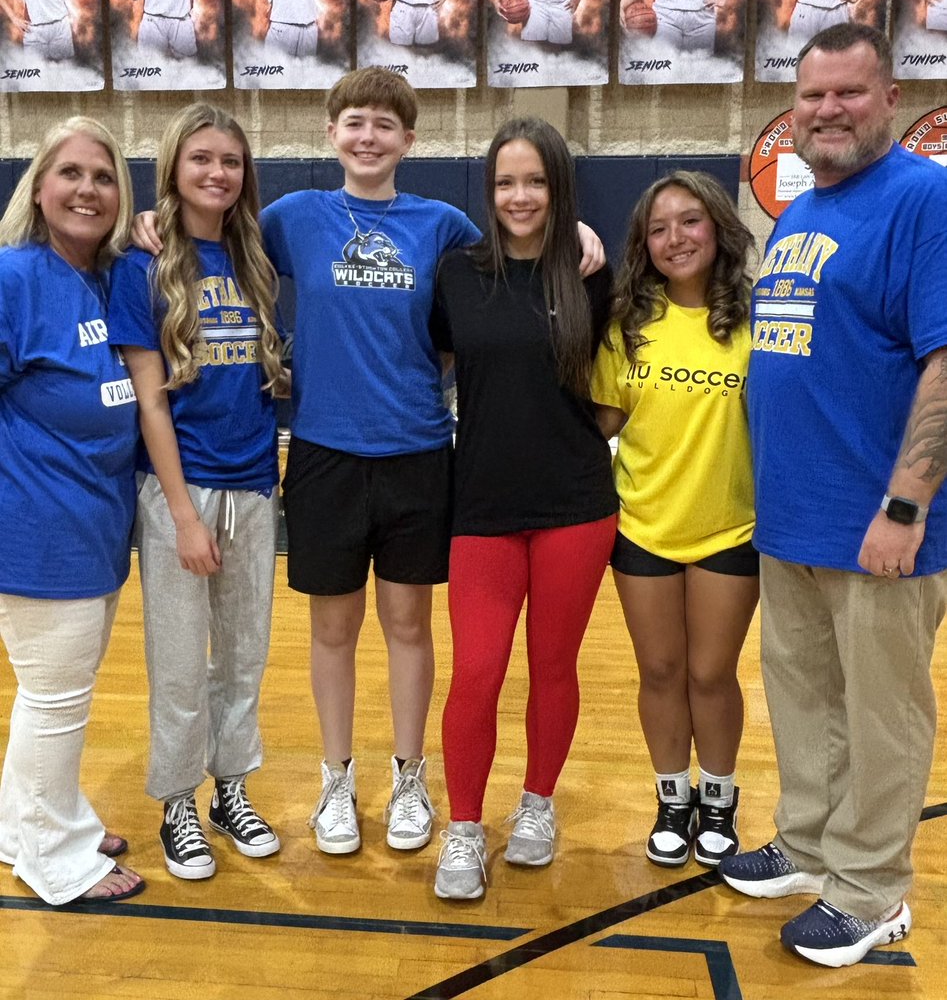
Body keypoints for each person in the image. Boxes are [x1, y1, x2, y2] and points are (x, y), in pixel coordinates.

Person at [131, 68, 604, 862]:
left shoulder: (443, 225)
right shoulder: (291, 219)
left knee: (409, 626)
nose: (368, 137)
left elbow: (514, 264)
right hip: (322, 454)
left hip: (419, 452)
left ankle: (410, 776)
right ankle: (335, 779)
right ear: (330, 132)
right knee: (333, 628)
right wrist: (153, 218)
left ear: (409, 141)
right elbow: (213, 228)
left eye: (386, 125)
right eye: (354, 122)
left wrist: (579, 235)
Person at [718, 24, 947, 968]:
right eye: (812, 96)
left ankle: (871, 889)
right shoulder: (808, 209)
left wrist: (905, 504)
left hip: (876, 522)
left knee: (884, 710)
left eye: (848, 94)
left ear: (889, 98)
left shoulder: (923, 200)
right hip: (794, 516)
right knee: (806, 699)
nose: (827, 112)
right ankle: (810, 843)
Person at [431, 118, 616, 901]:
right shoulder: (457, 273)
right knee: (475, 671)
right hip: (480, 504)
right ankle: (465, 828)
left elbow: (617, 388)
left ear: (557, 187)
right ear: (488, 189)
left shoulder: (591, 270)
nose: (518, 196)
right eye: (505, 182)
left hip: (575, 504)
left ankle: (537, 805)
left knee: (553, 666)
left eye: (534, 181)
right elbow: (437, 361)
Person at [108, 104, 284, 881]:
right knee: (179, 663)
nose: (218, 173)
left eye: (232, 162)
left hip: (253, 484)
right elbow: (150, 401)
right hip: (179, 487)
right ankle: (178, 800)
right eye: (202, 159)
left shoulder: (257, 256)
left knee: (243, 659)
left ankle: (230, 790)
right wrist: (180, 515)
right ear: (174, 167)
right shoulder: (139, 266)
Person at [590, 172, 757, 871]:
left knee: (711, 673)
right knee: (658, 670)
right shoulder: (628, 326)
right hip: (642, 526)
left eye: (689, 222)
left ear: (717, 228)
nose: (674, 239)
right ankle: (671, 799)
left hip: (730, 528)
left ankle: (717, 798)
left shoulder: (756, 319)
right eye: (657, 229)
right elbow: (600, 421)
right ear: (642, 244)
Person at [0, 117, 143, 904]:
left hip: (94, 528)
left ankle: (20, 821)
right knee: (56, 700)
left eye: (104, 176)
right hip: (37, 535)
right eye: (72, 173)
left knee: (48, 693)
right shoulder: (14, 278)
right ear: (40, 186)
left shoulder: (107, 277)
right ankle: (55, 860)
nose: (88, 189)